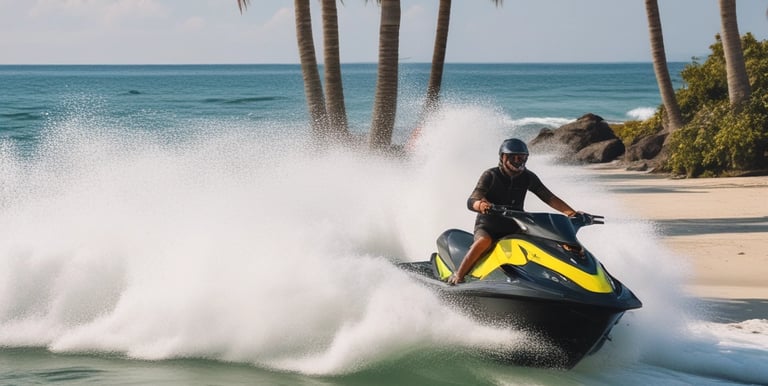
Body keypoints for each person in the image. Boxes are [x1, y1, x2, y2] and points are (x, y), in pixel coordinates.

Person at [447, 138, 581, 285]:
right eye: (513, 157)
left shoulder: (528, 177)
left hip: (515, 224)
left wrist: (572, 213)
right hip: (488, 226)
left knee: (547, 241)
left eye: (522, 157)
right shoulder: (491, 175)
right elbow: (472, 199)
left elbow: (549, 197)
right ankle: (458, 276)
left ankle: (559, 280)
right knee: (484, 242)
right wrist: (481, 205)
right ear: (503, 157)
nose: (518, 160)